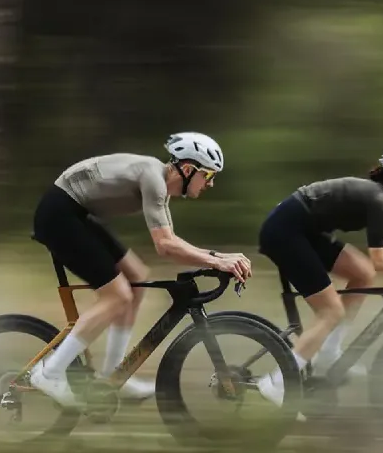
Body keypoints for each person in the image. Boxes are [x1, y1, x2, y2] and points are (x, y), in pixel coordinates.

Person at [28, 132, 253, 408]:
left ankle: (113, 376)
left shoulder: (158, 184)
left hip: (75, 213)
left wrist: (219, 257)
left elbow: (172, 244)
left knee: (137, 276)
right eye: (208, 175)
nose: (212, 183)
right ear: (187, 169)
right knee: (118, 296)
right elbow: (166, 246)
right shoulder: (153, 179)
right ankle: (49, 373)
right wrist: (219, 260)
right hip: (59, 215)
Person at [255, 147, 383, 407]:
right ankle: (276, 383)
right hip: (285, 234)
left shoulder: (376, 198)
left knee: (363, 272)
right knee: (331, 312)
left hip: (301, 230)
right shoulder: (376, 201)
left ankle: (328, 352)